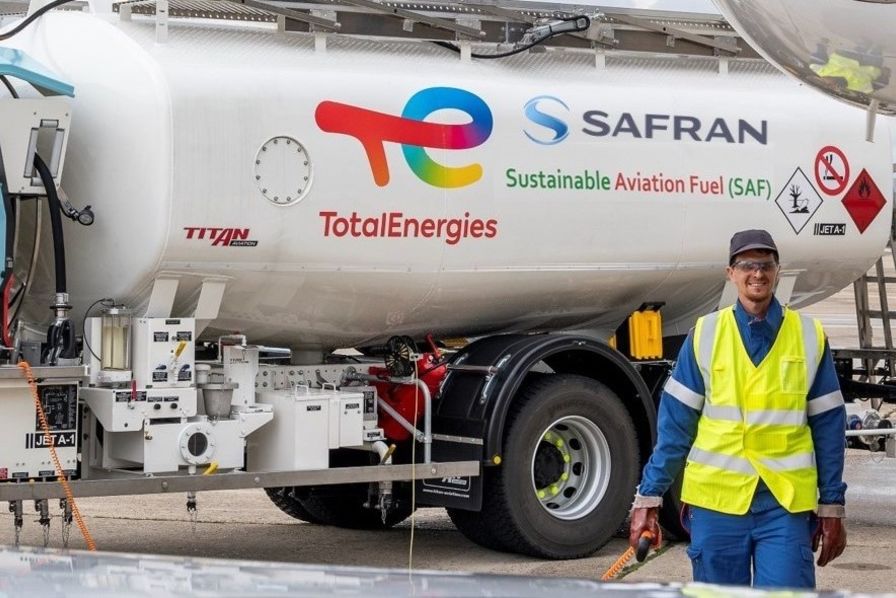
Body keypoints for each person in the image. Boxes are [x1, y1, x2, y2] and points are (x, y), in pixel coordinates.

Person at [629, 229, 847, 589]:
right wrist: (649, 497)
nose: (757, 273)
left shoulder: (809, 336)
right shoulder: (705, 334)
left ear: (778, 271)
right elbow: (675, 427)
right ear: (731, 273)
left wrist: (832, 505)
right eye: (746, 265)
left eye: (765, 265)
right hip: (717, 504)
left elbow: (829, 427)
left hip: (784, 504)